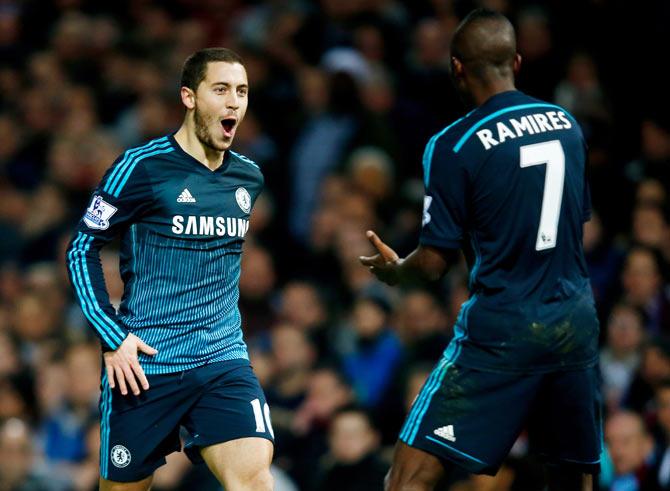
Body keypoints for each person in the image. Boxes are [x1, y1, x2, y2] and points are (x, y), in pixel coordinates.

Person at [360, 9, 600, 491]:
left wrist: (395, 271)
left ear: (456, 68)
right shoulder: (567, 125)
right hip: (574, 321)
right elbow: (579, 227)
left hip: (502, 329)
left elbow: (431, 265)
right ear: (515, 59)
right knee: (574, 477)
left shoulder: (452, 145)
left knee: (408, 478)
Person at [65, 48, 274, 491]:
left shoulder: (249, 178)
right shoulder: (141, 167)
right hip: (145, 365)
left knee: (255, 480)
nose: (234, 101)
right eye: (221, 90)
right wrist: (112, 336)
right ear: (189, 97)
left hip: (223, 359)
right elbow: (82, 246)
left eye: (242, 91)